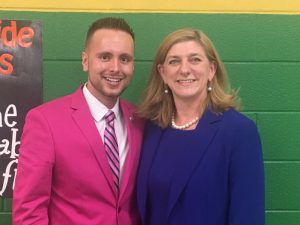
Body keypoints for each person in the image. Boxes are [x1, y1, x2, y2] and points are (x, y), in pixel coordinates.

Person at [13, 17, 144, 225]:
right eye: (105, 57)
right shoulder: (45, 121)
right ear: (85, 61)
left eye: (125, 59)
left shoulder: (140, 121)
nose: (115, 67)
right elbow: (28, 211)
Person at [137, 28, 264, 225]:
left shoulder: (238, 131)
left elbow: (247, 217)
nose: (184, 69)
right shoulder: (152, 128)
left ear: (211, 70)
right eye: (174, 61)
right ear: (163, 73)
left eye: (195, 59)